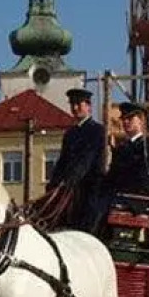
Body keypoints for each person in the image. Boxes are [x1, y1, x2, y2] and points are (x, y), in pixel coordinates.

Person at [44, 86, 107, 234]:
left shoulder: (97, 130)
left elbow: (87, 160)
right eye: (72, 104)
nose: (75, 107)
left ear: (88, 106)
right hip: (69, 186)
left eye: (79, 104)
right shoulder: (70, 133)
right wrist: (53, 184)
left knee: (86, 218)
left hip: (89, 187)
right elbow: (62, 161)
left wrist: (70, 180)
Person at [105, 102, 149, 199]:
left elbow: (144, 178)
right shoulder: (122, 148)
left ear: (141, 120)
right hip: (119, 197)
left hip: (137, 199)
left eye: (130, 118)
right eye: (124, 119)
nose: (125, 122)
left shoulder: (147, 146)